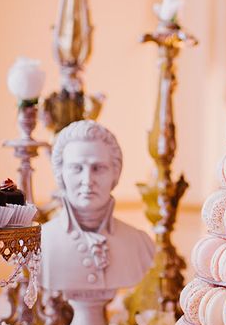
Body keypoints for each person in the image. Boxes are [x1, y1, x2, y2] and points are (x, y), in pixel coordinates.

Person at [40, 120, 154, 293]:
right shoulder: (40, 243)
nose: (88, 181)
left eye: (98, 168)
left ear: (115, 173)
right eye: (76, 168)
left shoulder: (140, 245)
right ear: (61, 174)